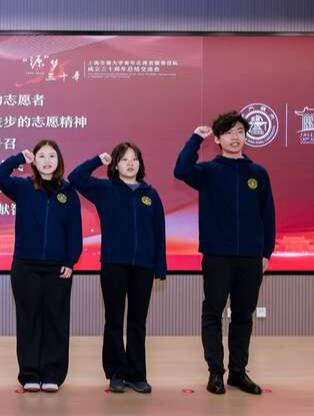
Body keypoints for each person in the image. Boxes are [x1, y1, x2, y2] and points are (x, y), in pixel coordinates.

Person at [173, 111, 276, 395]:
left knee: (243, 315)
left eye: (240, 132)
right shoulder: (208, 171)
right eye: (229, 132)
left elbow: (268, 216)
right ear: (218, 139)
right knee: (213, 313)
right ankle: (215, 372)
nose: (235, 137)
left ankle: (238, 373)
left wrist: (266, 253)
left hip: (250, 258)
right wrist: (195, 139)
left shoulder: (258, 173)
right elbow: (180, 170)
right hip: (217, 255)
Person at [69, 142, 166, 394]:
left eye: (134, 159)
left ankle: (137, 374)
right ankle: (115, 373)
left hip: (143, 266)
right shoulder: (105, 189)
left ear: (140, 163)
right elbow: (75, 177)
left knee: (137, 321)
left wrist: (160, 265)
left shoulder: (150, 194)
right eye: (124, 159)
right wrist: (96, 161)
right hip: (114, 264)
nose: (130, 163)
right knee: (114, 320)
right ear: (115, 165)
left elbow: (158, 231)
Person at [0, 140, 82, 393]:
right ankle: (30, 373)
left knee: (56, 321)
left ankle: (53, 374)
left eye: (52, 156)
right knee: (28, 320)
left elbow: (74, 231)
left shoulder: (68, 192)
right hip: (25, 266)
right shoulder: (23, 187)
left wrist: (70, 261)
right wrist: (18, 158)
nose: (46, 161)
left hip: (58, 268)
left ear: (59, 160)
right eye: (41, 156)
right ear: (34, 161)